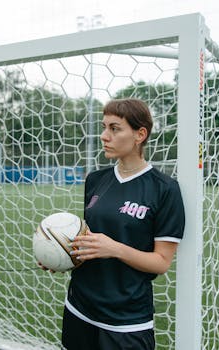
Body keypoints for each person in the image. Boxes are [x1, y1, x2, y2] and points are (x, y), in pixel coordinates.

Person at [50, 98, 185, 350]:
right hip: (79, 307)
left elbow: (161, 262)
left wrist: (115, 249)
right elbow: (88, 239)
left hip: (126, 319)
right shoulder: (96, 180)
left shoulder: (165, 189)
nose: (104, 136)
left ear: (139, 134)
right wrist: (61, 254)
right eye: (104, 127)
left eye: (114, 128)